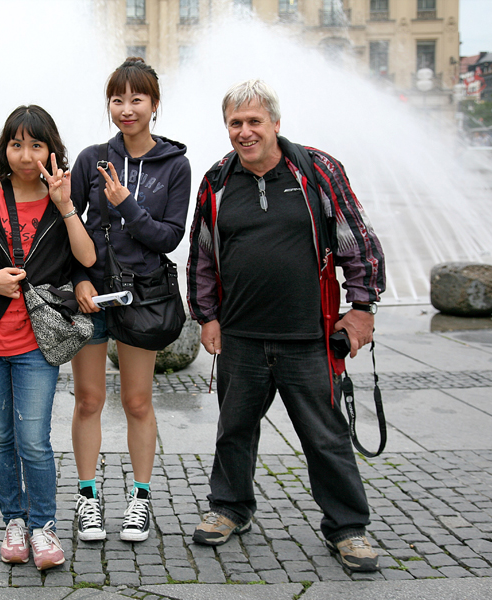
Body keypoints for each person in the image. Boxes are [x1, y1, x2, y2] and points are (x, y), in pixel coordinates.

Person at [186, 79, 386, 573]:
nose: (245, 131)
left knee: (325, 435)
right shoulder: (216, 180)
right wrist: (206, 316)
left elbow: (356, 239)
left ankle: (348, 528)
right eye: (236, 123)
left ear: (276, 123)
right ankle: (230, 508)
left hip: (307, 336)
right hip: (241, 335)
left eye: (255, 121)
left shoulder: (317, 170)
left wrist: (362, 308)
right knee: (234, 429)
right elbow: (202, 256)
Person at [0, 105, 95, 570]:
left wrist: (65, 204)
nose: (26, 154)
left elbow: (87, 259)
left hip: (37, 341)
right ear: (5, 148)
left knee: (33, 439)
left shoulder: (61, 200)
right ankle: (14, 518)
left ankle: (43, 526)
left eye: (36, 145)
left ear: (51, 149)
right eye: (17, 144)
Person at [69, 57, 191, 543]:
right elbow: (69, 223)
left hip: (142, 297)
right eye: (117, 99)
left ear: (154, 104)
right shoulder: (90, 158)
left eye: (136, 98)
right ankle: (88, 497)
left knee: (138, 401)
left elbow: (169, 237)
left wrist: (127, 205)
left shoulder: (175, 165)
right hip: (92, 296)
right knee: (88, 399)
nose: (126, 108)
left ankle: (140, 499)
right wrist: (79, 277)